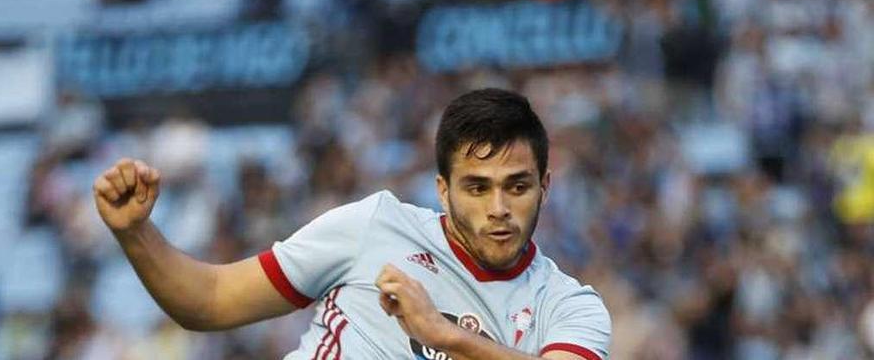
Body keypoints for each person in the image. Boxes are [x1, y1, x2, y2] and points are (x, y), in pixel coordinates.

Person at [92, 88, 611, 359]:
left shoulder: (568, 305)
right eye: (477, 186)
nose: (498, 207)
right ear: (442, 189)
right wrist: (135, 233)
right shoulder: (373, 226)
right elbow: (209, 301)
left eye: (516, 186)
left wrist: (440, 335)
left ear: (545, 186)